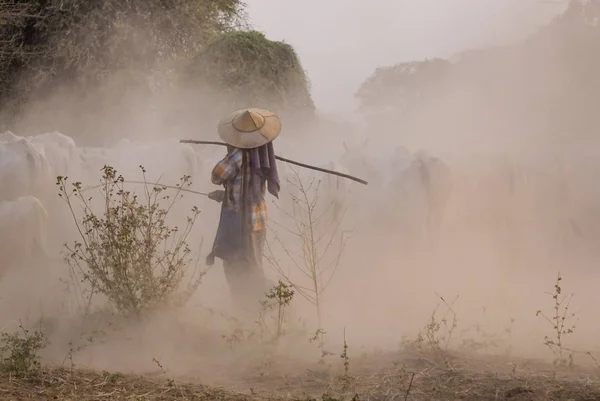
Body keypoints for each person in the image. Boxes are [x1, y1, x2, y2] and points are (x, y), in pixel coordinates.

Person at [206, 108, 281, 319]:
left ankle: (253, 312)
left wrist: (229, 154)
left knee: (236, 269)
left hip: (238, 223)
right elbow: (247, 189)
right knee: (254, 266)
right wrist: (225, 195)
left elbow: (217, 175)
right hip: (257, 220)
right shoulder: (262, 154)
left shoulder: (237, 155)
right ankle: (263, 311)